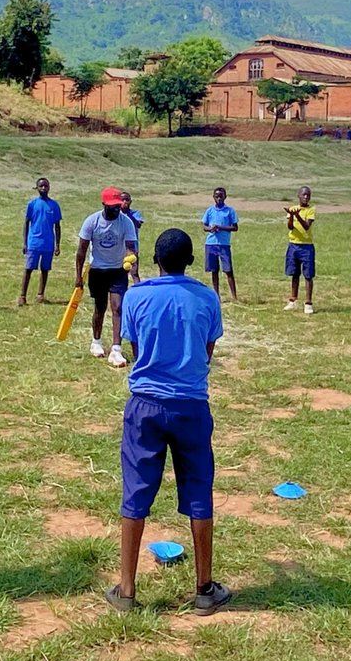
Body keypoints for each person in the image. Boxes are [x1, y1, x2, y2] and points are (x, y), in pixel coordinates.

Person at [106, 229, 229, 615]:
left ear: (155, 260)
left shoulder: (136, 296)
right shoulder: (207, 297)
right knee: (199, 491)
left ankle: (127, 589)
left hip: (146, 404)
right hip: (191, 404)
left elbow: (137, 349)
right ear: (190, 261)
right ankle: (204, 588)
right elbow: (207, 352)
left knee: (135, 492)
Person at [76, 188, 139, 367]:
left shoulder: (126, 223)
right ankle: (96, 342)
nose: (116, 209)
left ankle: (116, 349)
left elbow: (131, 247)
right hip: (98, 270)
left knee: (117, 307)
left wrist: (131, 257)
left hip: (118, 271)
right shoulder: (92, 221)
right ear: (104, 205)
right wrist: (78, 277)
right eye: (112, 207)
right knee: (100, 306)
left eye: (118, 206)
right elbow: (81, 251)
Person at [19, 177, 61, 306]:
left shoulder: (54, 205)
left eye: (45, 186)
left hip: (48, 244)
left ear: (49, 188)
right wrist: (25, 243)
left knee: (45, 269)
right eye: (41, 186)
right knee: (28, 269)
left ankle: (40, 294)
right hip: (34, 243)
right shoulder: (32, 204)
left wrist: (57, 245)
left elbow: (57, 226)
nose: (43, 188)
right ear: (37, 188)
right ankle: (22, 296)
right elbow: (26, 223)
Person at [201, 186, 238, 301]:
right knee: (214, 271)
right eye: (217, 196)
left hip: (224, 244)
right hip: (211, 243)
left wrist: (221, 227)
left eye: (221, 196)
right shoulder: (210, 211)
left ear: (225, 197)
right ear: (213, 197)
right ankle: (216, 295)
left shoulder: (229, 211)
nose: (219, 199)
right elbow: (204, 226)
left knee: (228, 270)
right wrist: (210, 228)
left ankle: (234, 296)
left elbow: (235, 227)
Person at [283, 186, 316, 315]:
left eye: (308, 195)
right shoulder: (293, 208)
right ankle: (293, 300)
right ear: (299, 196)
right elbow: (290, 227)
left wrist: (297, 215)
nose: (306, 197)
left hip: (306, 246)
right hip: (293, 245)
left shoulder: (311, 210)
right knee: (294, 273)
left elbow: (307, 226)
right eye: (303, 195)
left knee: (308, 275)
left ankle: (308, 302)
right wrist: (292, 216)